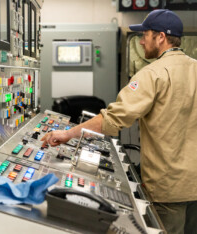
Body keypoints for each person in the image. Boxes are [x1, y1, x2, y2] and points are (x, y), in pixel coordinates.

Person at [41, 9, 197, 233]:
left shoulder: (153, 73)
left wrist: (66, 134)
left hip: (169, 189)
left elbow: (113, 119)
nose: (142, 42)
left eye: (145, 35)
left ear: (161, 37)